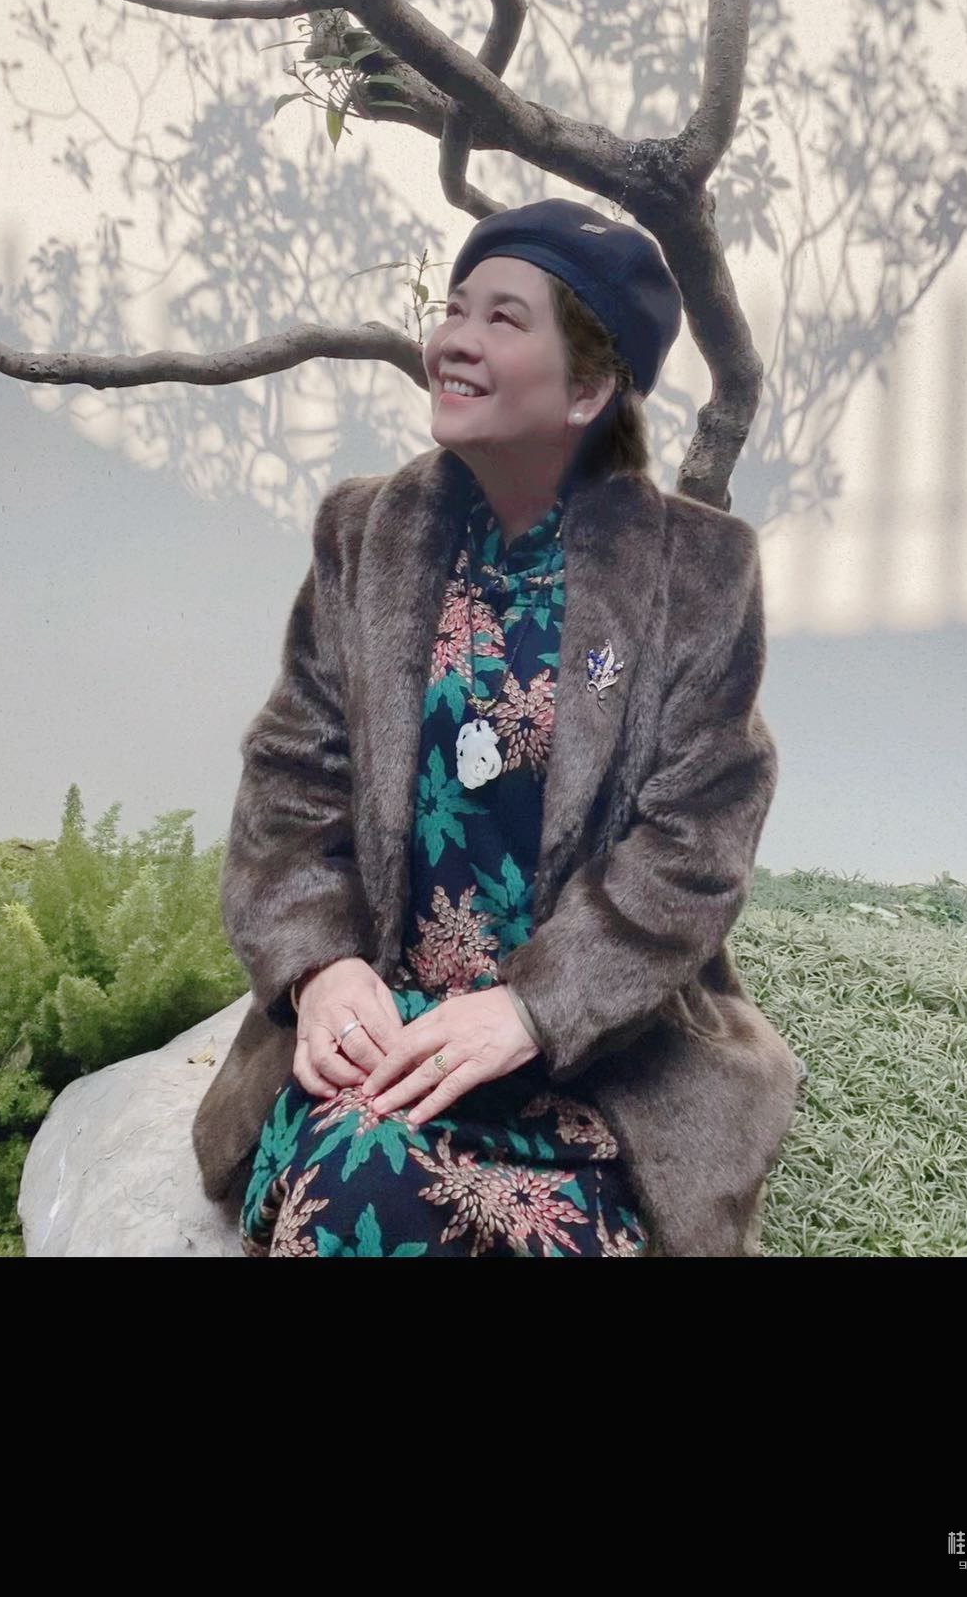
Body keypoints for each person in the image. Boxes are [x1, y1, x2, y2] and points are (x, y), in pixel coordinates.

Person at [192, 197, 801, 1256]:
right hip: (383, 1041)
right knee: (364, 1184)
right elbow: (291, 778)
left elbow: (695, 843)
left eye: (504, 318)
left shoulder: (700, 573)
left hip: (591, 1058)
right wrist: (322, 966)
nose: (455, 340)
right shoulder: (362, 534)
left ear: (589, 389)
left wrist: (531, 1009)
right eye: (456, 308)